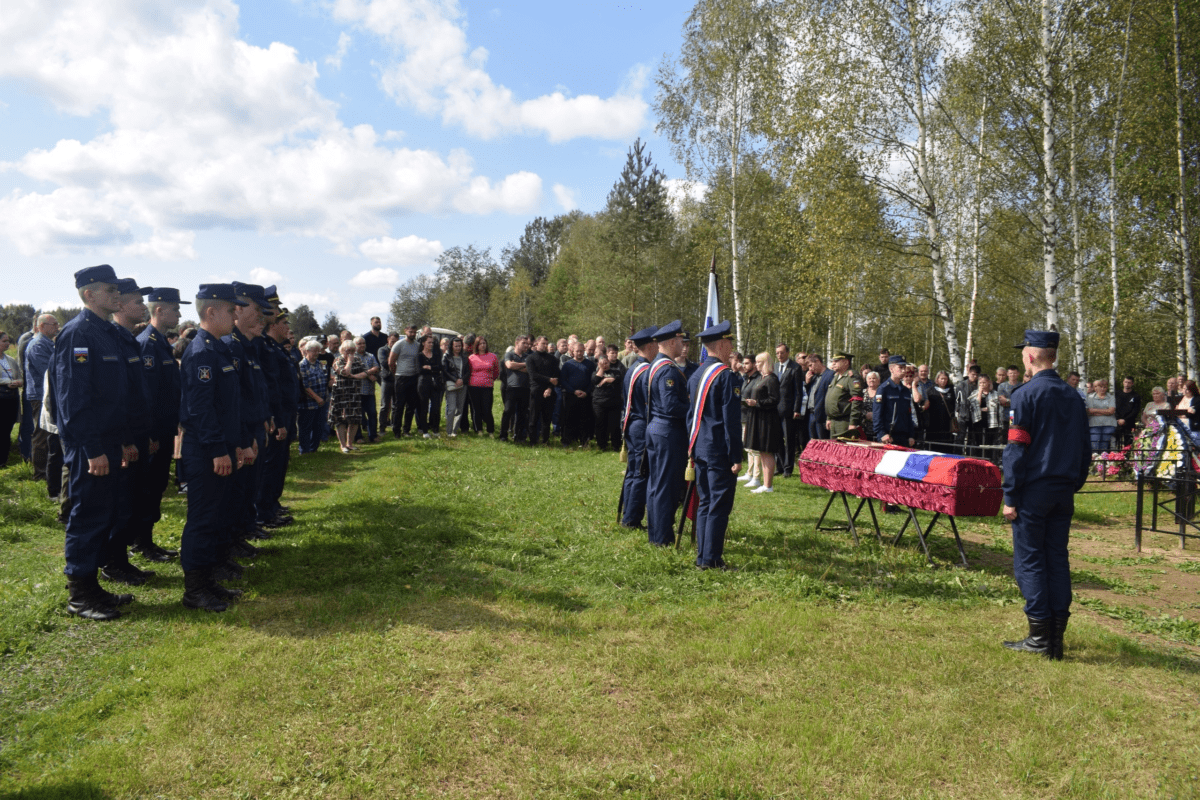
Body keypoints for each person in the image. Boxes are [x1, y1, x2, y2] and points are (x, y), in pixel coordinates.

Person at [51, 265, 136, 619]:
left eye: (118, 290)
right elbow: (74, 400)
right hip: (92, 446)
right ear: (89, 295)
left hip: (111, 442)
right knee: (87, 516)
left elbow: (119, 395)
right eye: (109, 290)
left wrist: (124, 441)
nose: (117, 295)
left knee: (104, 513)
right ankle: (79, 594)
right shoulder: (78, 333)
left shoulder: (106, 332)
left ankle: (94, 587)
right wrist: (93, 449)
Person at [1002, 329, 1091, 661]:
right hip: (1063, 489)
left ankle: (1040, 638)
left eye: (1022, 351)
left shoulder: (1025, 395)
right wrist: (1073, 482)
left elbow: (1016, 449)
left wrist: (1010, 495)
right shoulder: (1073, 396)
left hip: (1033, 491)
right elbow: (1085, 449)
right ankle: (1054, 638)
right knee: (1057, 559)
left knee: (1030, 561)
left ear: (1030, 355)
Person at [178, 283, 249, 613]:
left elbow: (228, 407)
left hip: (220, 446)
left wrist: (232, 446)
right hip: (206, 449)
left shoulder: (217, 349)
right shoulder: (202, 352)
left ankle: (207, 581)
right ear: (211, 312)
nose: (236, 316)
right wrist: (219, 449)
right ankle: (194, 590)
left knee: (215, 515)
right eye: (231, 310)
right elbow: (201, 409)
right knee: (203, 519)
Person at [129, 288, 187, 563]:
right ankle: (141, 542)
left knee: (157, 485)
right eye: (175, 309)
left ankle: (147, 539)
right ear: (160, 310)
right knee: (148, 487)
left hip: (163, 429)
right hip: (154, 432)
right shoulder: (147, 344)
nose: (179, 314)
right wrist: (151, 434)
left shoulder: (160, 342)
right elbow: (146, 395)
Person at [687, 321, 743, 570]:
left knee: (706, 503)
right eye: (729, 342)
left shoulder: (696, 374)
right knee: (718, 505)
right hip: (719, 449)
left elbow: (692, 416)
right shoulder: (726, 376)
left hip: (700, 447)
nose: (731, 348)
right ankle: (711, 559)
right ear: (720, 344)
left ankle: (703, 556)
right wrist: (736, 455)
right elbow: (731, 421)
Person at [645, 321, 689, 546]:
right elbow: (671, 406)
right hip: (668, 432)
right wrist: (694, 407)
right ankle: (661, 537)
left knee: (657, 484)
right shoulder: (668, 369)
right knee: (666, 487)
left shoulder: (656, 365)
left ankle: (656, 533)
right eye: (681, 340)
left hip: (658, 429)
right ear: (672, 341)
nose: (683, 344)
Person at [619, 326, 658, 529]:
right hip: (641, 424)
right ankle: (632, 519)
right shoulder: (646, 371)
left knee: (633, 471)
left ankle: (628, 514)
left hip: (631, 423)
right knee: (640, 472)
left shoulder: (634, 368)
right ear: (650, 345)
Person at [24, 315, 60, 482]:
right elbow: (48, 371)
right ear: (42, 326)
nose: (58, 327)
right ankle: (39, 475)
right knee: (41, 435)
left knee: (47, 434)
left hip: (46, 394)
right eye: (54, 324)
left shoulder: (47, 343)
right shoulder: (38, 345)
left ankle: (47, 472)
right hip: (40, 395)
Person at [743, 352, 782, 493]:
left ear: (765, 362)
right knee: (761, 451)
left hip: (767, 420)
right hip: (757, 417)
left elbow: (774, 399)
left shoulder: (772, 379)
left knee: (767, 451)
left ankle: (768, 485)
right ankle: (764, 484)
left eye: (759, 362)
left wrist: (757, 403)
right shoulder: (761, 378)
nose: (756, 364)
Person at [330, 339, 366, 451]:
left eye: (352, 350)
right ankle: (343, 445)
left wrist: (354, 376)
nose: (350, 353)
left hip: (354, 393)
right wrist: (349, 362)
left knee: (354, 419)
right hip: (341, 394)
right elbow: (344, 372)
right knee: (340, 419)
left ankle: (350, 443)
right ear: (342, 350)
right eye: (348, 351)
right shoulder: (337, 360)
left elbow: (365, 373)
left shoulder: (358, 360)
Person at [773, 343, 801, 478]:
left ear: (788, 353)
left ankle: (788, 468)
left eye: (782, 352)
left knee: (789, 439)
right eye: (777, 353)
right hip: (774, 409)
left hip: (789, 409)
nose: (779, 355)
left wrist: (797, 409)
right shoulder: (775, 367)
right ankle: (780, 465)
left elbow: (798, 391)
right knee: (777, 438)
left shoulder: (795, 368)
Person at [388, 324, 421, 437]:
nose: (412, 334)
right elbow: (391, 361)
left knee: (411, 406)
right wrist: (396, 373)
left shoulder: (417, 345)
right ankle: (396, 431)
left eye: (414, 332)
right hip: (401, 377)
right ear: (405, 331)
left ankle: (406, 430)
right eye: (410, 332)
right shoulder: (399, 344)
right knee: (399, 405)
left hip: (414, 378)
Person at [526, 336, 560, 446]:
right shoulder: (530, 358)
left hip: (549, 391)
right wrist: (549, 379)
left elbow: (556, 375)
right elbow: (533, 375)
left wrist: (550, 387)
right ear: (536, 344)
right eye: (543, 343)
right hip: (536, 391)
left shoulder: (553, 359)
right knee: (534, 418)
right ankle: (533, 441)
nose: (545, 345)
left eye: (546, 343)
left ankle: (545, 441)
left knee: (547, 418)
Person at [825, 352, 865, 438]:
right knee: (833, 449)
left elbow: (857, 400)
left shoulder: (852, 377)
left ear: (846, 362)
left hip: (844, 422)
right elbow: (831, 399)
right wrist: (829, 418)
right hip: (834, 421)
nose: (833, 363)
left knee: (843, 449)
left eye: (836, 361)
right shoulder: (836, 376)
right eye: (832, 361)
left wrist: (853, 422)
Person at [560, 341, 593, 446]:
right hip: (570, 395)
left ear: (584, 351)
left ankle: (584, 441)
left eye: (581, 351)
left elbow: (593, 381)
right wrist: (573, 391)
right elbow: (563, 381)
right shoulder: (567, 365)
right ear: (572, 352)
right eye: (577, 351)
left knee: (584, 419)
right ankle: (567, 441)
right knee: (569, 419)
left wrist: (586, 392)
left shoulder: (590, 364)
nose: (579, 353)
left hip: (585, 396)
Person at [297, 340, 327, 453]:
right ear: (307, 351)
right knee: (305, 427)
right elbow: (304, 385)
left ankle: (313, 448)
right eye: (314, 351)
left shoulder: (320, 364)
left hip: (321, 401)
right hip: (307, 403)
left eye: (318, 351)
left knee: (318, 426)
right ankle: (304, 450)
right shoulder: (302, 365)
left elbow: (324, 379)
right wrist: (317, 398)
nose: (316, 353)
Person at [0, 330, 24, 468]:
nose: (7, 344)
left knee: (7, 429)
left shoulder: (11, 360)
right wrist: (5, 381)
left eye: (8, 341)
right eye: (4, 341)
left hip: (11, 399)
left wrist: (19, 382)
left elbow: (20, 377)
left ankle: (3, 459)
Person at [591, 353, 624, 451]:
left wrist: (606, 380)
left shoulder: (616, 371)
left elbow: (618, 379)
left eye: (606, 363)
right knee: (601, 424)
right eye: (602, 364)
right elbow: (595, 380)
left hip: (614, 403)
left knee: (614, 425)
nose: (604, 365)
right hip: (599, 403)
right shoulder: (595, 373)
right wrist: (601, 369)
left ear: (609, 362)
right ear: (598, 365)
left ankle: (616, 445)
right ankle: (602, 445)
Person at [501, 336, 531, 443]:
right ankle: (503, 435)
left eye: (527, 343)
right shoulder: (509, 354)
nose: (526, 345)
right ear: (516, 343)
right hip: (512, 387)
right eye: (524, 343)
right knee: (508, 411)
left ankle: (519, 437)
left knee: (522, 413)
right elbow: (509, 365)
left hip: (525, 388)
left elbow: (530, 370)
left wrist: (516, 366)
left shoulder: (529, 356)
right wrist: (523, 365)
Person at [468, 336, 499, 435]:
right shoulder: (471, 358)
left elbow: (496, 372)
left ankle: (490, 431)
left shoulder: (492, 356)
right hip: (474, 386)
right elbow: (468, 371)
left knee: (487, 409)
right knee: (476, 409)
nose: (482, 345)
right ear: (476, 346)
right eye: (480, 344)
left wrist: (489, 380)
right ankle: (479, 430)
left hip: (487, 387)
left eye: (484, 343)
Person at [354, 336, 380, 442]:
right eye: (359, 343)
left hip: (369, 391)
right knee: (358, 415)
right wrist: (369, 375)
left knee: (372, 414)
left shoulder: (370, 356)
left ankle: (373, 435)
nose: (362, 345)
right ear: (355, 345)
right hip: (356, 391)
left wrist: (365, 373)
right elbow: (354, 372)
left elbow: (376, 368)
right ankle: (358, 437)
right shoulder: (352, 357)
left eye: (363, 343)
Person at [442, 337, 470, 436]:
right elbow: (445, 371)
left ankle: (454, 430)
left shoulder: (464, 356)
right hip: (451, 384)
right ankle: (448, 431)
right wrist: (455, 380)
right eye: (456, 346)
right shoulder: (447, 356)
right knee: (452, 408)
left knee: (459, 409)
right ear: (452, 346)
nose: (458, 348)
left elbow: (468, 371)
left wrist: (462, 380)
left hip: (463, 385)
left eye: (459, 346)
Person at [926, 370, 956, 450]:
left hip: (947, 421)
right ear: (937, 379)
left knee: (947, 443)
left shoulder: (951, 390)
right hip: (934, 422)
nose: (943, 381)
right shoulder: (931, 390)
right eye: (941, 379)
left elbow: (954, 404)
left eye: (945, 379)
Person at [806, 353, 833, 441]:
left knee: (823, 443)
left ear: (817, 361)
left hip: (822, 416)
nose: (810, 369)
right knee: (813, 443)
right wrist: (807, 383)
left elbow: (831, 397)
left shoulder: (830, 375)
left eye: (811, 365)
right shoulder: (813, 377)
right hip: (811, 414)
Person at [1086, 379, 1117, 455]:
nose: (1102, 389)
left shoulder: (1111, 397)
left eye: (1104, 387)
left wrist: (1095, 411)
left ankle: (1102, 465)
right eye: (1101, 387)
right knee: (1094, 446)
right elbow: (1088, 411)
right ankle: (1094, 465)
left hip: (1108, 425)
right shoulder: (1090, 397)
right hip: (1094, 425)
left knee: (1104, 448)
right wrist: (1105, 411)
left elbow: (1111, 411)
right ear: (1096, 388)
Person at [377, 332, 398, 431]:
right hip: (386, 380)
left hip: (397, 380)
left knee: (396, 405)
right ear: (388, 340)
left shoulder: (399, 350)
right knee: (385, 405)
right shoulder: (382, 350)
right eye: (392, 341)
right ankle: (382, 427)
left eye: (396, 342)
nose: (394, 344)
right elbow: (384, 363)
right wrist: (394, 362)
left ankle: (394, 426)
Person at [1114, 377, 1141, 446]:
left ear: (1132, 384)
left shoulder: (1136, 396)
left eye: (1129, 382)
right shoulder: (1116, 394)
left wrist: (1125, 420)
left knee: (1128, 444)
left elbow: (1135, 410)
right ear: (1123, 382)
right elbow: (1113, 407)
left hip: (1129, 423)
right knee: (1115, 444)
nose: (1127, 384)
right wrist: (1118, 419)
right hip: (1116, 423)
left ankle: (1127, 456)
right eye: (1125, 382)